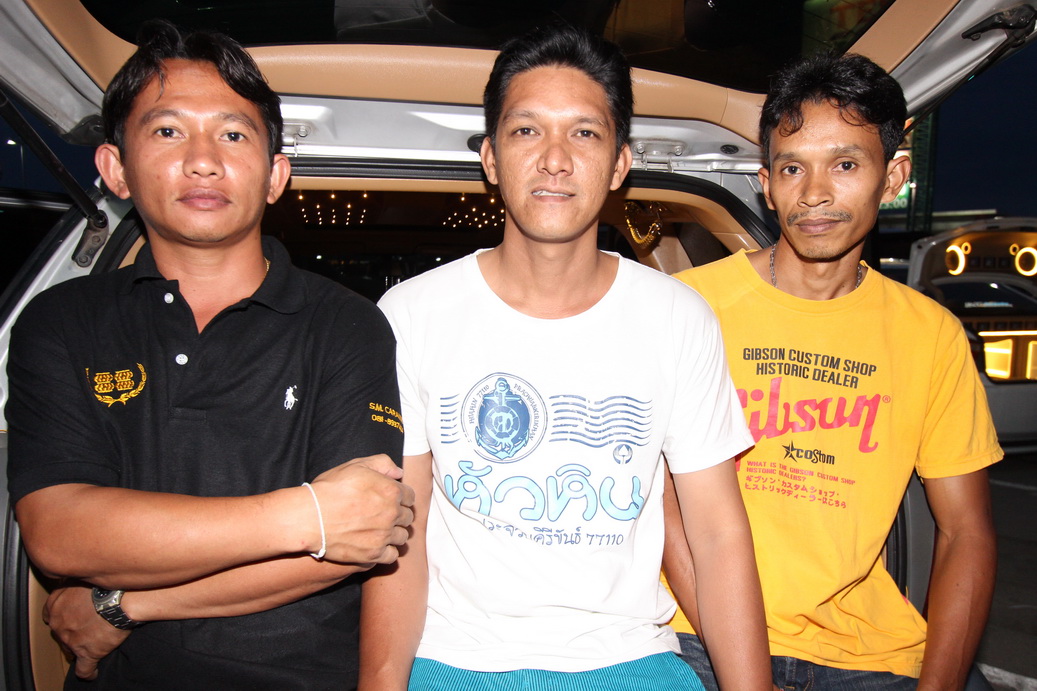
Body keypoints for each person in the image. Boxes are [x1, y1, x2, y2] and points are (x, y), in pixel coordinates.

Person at [5, 21, 415, 690]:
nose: (203, 161)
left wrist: (123, 604)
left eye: (233, 134)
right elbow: (59, 532)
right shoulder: (62, 322)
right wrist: (308, 515)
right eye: (168, 131)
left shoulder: (346, 324)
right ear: (115, 168)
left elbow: (361, 534)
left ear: (275, 175)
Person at [365, 24, 772, 691]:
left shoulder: (677, 318)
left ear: (619, 163)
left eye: (584, 133)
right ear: (491, 157)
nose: (554, 159)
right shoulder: (412, 314)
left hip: (630, 659)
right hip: (453, 657)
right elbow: (399, 532)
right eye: (527, 130)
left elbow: (719, 536)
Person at [669, 52, 1003, 690]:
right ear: (767, 184)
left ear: (893, 176)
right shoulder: (691, 307)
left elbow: (966, 532)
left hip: (866, 653)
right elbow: (662, 510)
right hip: (694, 631)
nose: (814, 193)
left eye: (845, 164)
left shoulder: (930, 335)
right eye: (792, 168)